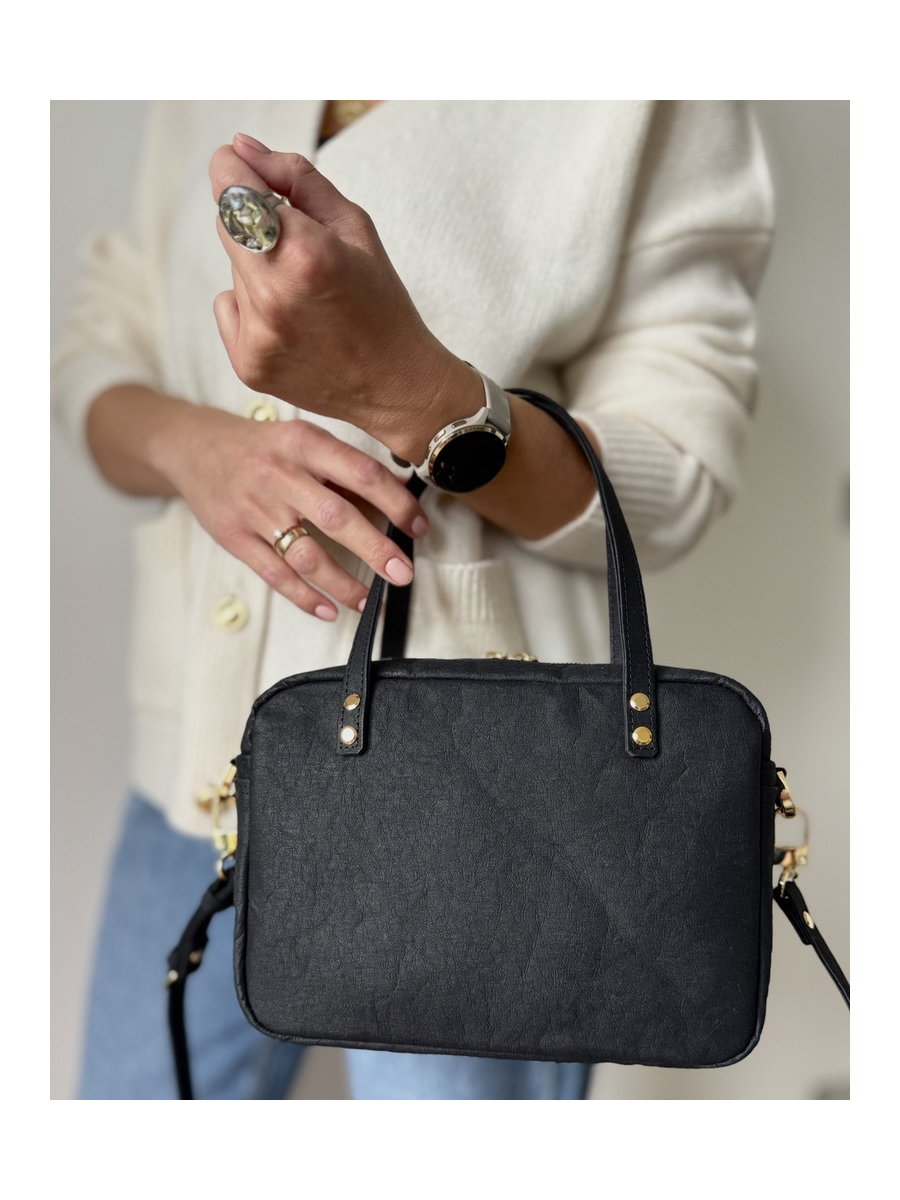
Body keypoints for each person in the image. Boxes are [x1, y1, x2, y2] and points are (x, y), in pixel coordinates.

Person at [52, 100, 775, 1100]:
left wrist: (414, 394)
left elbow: (677, 473)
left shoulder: (641, 93)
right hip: (192, 770)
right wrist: (199, 450)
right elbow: (100, 344)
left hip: (491, 814)